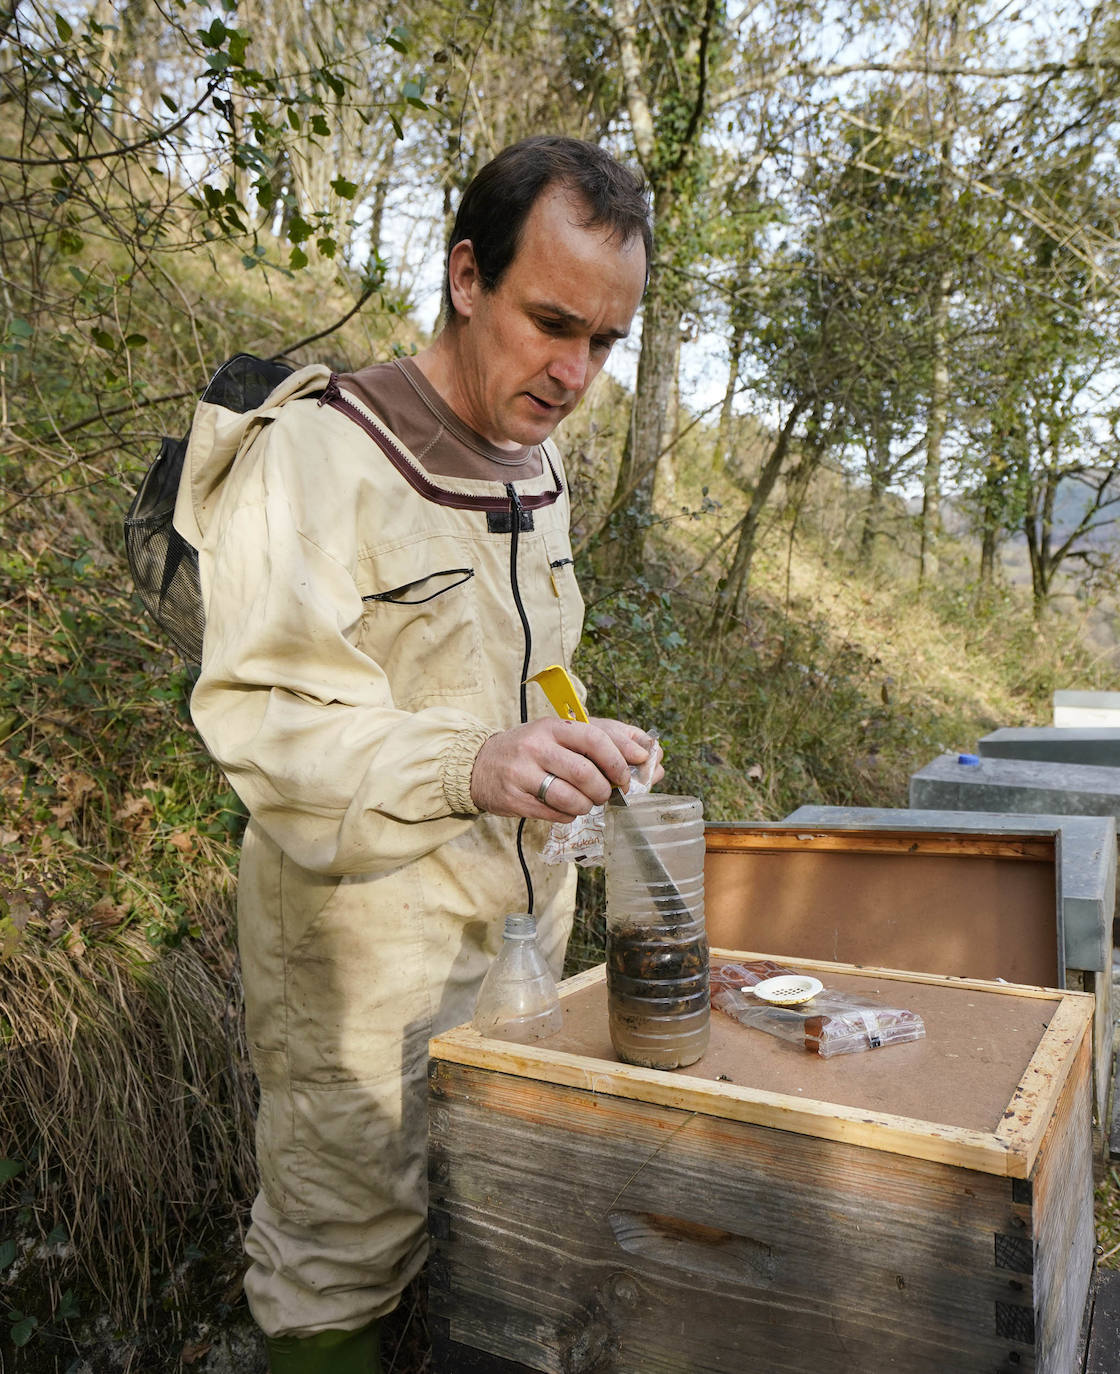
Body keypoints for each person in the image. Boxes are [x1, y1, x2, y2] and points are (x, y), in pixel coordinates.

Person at [173, 136, 657, 1371]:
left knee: (494, 1211)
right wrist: (473, 765)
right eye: (552, 322)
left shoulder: (535, 464)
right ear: (465, 277)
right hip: (356, 957)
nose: (575, 371)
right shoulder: (319, 457)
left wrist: (575, 744)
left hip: (516, 939)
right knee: (342, 1243)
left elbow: (515, 659)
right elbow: (272, 719)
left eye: (605, 341)